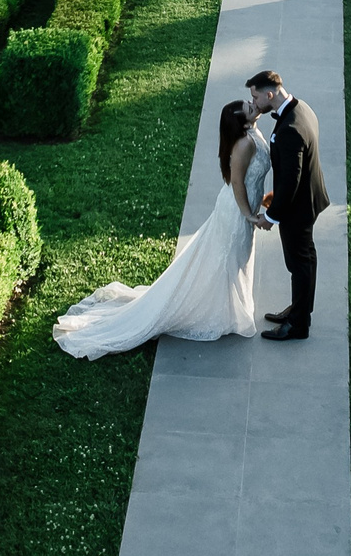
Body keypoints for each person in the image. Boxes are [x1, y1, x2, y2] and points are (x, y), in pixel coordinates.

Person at [52, 100, 270, 358]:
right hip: (235, 212)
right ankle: (224, 311)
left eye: (250, 104)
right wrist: (248, 215)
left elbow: (249, 178)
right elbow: (237, 183)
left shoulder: (251, 134)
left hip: (239, 208)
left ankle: (231, 307)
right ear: (242, 123)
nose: (254, 106)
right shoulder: (244, 144)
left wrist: (259, 200)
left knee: (234, 258)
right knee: (230, 259)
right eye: (249, 108)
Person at [249, 69, 329, 341]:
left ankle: (297, 325)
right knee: (306, 258)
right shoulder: (302, 108)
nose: (254, 102)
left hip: (298, 208)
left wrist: (271, 216)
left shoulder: (290, 130)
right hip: (309, 198)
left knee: (299, 264)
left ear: (270, 94)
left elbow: (291, 180)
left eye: (256, 97)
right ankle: (301, 310)